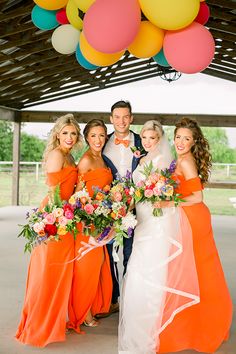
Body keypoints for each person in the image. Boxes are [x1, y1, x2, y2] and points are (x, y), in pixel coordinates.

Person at [119, 120, 201, 353]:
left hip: (157, 222)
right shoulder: (143, 159)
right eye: (144, 138)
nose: (147, 142)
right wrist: (124, 207)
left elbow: (167, 191)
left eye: (151, 138)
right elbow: (138, 191)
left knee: (151, 271)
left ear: (159, 139)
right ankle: (139, 324)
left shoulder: (164, 161)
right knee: (136, 270)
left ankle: (152, 330)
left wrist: (162, 199)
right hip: (142, 221)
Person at [157, 117, 233, 353]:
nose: (180, 142)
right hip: (189, 216)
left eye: (186, 138)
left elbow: (198, 197)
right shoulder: (180, 159)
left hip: (194, 218)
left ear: (193, 142)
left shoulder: (187, 161)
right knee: (194, 270)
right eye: (178, 137)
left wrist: (170, 201)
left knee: (197, 269)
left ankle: (203, 324)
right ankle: (194, 322)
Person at [15, 114, 83, 347]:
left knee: (58, 272)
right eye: (65, 133)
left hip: (66, 214)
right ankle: (39, 325)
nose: (70, 137)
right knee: (48, 271)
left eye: (73, 133)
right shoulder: (56, 155)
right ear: (57, 134)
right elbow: (54, 191)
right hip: (55, 216)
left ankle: (52, 323)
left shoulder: (71, 156)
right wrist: (58, 220)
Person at [67, 119, 113, 332]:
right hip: (87, 223)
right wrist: (89, 215)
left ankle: (90, 309)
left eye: (102, 135)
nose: (98, 140)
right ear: (87, 137)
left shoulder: (102, 159)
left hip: (100, 220)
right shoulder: (86, 161)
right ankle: (83, 314)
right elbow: (77, 195)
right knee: (87, 268)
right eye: (94, 135)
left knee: (98, 266)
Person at [101, 100, 142, 316]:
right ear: (111, 119)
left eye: (125, 116)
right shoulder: (103, 141)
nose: (121, 121)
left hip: (137, 207)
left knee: (132, 253)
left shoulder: (142, 141)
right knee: (108, 252)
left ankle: (132, 299)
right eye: (117, 117)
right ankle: (114, 298)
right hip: (110, 207)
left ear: (131, 118)